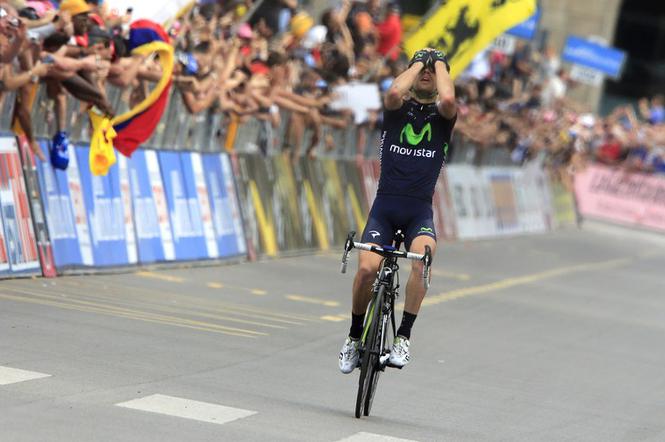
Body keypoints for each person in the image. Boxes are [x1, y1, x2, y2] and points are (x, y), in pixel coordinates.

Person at [339, 48, 456, 373]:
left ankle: (403, 336)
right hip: (385, 209)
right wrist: (419, 61)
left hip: (419, 212)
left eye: (433, 72)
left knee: (423, 263)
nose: (426, 72)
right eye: (420, 70)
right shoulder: (396, 109)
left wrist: (441, 64)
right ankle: (353, 336)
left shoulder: (444, 117)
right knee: (366, 271)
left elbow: (447, 99)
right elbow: (392, 91)